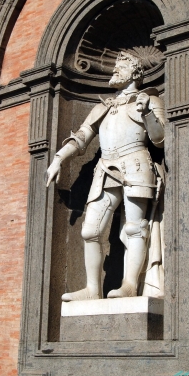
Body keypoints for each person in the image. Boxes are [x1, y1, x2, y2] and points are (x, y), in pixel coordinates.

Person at [46, 51, 165, 301]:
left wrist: (147, 114)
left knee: (134, 228)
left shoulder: (147, 100)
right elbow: (82, 136)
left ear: (134, 72)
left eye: (120, 66)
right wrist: (58, 158)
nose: (114, 70)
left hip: (135, 164)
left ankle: (130, 284)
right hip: (105, 169)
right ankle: (92, 289)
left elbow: (160, 138)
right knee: (90, 231)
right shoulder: (104, 106)